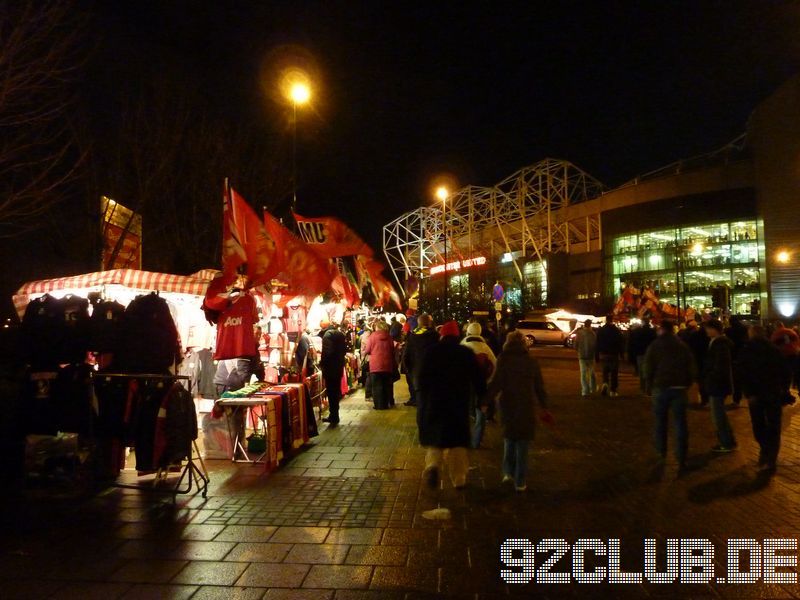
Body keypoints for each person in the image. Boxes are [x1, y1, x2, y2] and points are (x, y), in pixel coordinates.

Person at [417, 320, 486, 489]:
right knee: (457, 444)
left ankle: (432, 466)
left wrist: (423, 398)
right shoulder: (465, 353)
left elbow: (421, 378)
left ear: (442, 336)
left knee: (436, 439)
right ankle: (459, 479)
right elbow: (478, 378)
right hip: (458, 403)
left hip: (435, 402)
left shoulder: (431, 352)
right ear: (457, 336)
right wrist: (482, 399)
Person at [487, 330, 551, 492]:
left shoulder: (503, 360)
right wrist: (544, 406)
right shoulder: (531, 362)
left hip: (508, 404)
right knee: (523, 444)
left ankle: (508, 473)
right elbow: (539, 387)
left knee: (509, 439)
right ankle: (520, 481)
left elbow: (496, 383)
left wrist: (485, 401)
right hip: (526, 405)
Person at [643, 320, 697, 472]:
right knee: (680, 423)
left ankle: (661, 453)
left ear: (661, 329)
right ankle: (681, 456)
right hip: (679, 388)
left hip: (660, 387)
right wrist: (687, 383)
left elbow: (648, 367)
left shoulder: (655, 345)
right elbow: (691, 366)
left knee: (660, 422)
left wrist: (649, 384)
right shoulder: (682, 346)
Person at [738, 325, 792, 472]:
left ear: (751, 334)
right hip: (773, 393)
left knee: (758, 424)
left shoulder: (746, 350)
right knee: (774, 424)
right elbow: (786, 371)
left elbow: (743, 374)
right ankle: (770, 456)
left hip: (756, 394)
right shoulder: (775, 350)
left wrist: (748, 393)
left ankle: (765, 450)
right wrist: (784, 389)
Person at [702, 320, 737, 452]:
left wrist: (711, 377)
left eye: (708, 328)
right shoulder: (718, 343)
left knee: (718, 415)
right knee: (719, 414)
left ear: (715, 329)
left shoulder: (720, 344)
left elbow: (720, 366)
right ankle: (727, 440)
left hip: (718, 384)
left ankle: (726, 442)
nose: (706, 331)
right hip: (718, 383)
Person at [461, 322, 497, 448]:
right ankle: (476, 441)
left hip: (465, 385)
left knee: (463, 411)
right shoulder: (485, 348)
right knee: (480, 412)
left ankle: (462, 438)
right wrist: (488, 380)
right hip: (482, 385)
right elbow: (494, 365)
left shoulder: (463, 345)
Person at [401, 314, 438, 407]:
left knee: (413, 386)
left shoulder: (412, 335)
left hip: (414, 367)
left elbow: (406, 354)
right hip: (430, 368)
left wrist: (408, 367)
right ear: (429, 323)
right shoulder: (435, 336)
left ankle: (414, 399)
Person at [362, 320, 396, 410]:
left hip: (375, 365)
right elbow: (392, 350)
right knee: (385, 385)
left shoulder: (372, 337)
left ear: (377, 327)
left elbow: (368, 350)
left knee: (376, 386)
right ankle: (386, 404)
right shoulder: (389, 337)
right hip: (387, 364)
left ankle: (378, 405)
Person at [319, 319, 347, 425]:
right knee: (335, 392)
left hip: (330, 368)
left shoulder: (327, 335)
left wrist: (322, 363)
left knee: (331, 393)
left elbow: (327, 352)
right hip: (338, 367)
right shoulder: (340, 334)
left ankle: (333, 416)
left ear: (323, 326)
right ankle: (335, 415)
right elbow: (344, 350)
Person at [596, 316, 624, 397]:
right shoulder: (616, 330)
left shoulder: (601, 330)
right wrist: (621, 354)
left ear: (606, 320)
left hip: (604, 353)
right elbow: (620, 343)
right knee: (614, 372)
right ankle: (613, 390)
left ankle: (605, 383)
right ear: (612, 320)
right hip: (614, 353)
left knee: (605, 371)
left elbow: (598, 342)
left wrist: (597, 355)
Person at [628, 317, 657, 392]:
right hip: (650, 353)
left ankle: (643, 387)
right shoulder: (652, 332)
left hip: (640, 353)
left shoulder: (638, 331)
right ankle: (649, 387)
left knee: (641, 371)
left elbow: (633, 343)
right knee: (649, 370)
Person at [685, 320, 710, 405]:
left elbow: (690, 347)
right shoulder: (708, 336)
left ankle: (703, 398)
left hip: (697, 359)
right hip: (706, 359)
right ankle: (706, 397)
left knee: (700, 379)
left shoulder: (694, 335)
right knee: (705, 379)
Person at [725, 316, 748, 405]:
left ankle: (736, 398)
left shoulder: (729, 331)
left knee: (736, 378)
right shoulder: (744, 329)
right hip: (743, 355)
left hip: (733, 355)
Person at [770, 321, 799, 390]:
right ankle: (796, 385)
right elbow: (797, 342)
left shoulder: (776, 334)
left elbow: (773, 346)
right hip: (794, 354)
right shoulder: (792, 332)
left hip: (782, 355)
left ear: (776, 327)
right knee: (795, 371)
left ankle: (785, 389)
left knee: (784, 373)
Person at [574, 319, 597, 397]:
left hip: (582, 356)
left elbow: (575, 345)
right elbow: (595, 345)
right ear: (590, 325)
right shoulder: (593, 334)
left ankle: (584, 391)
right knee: (591, 373)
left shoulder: (579, 333)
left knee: (583, 374)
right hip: (590, 356)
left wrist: (579, 350)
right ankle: (592, 388)